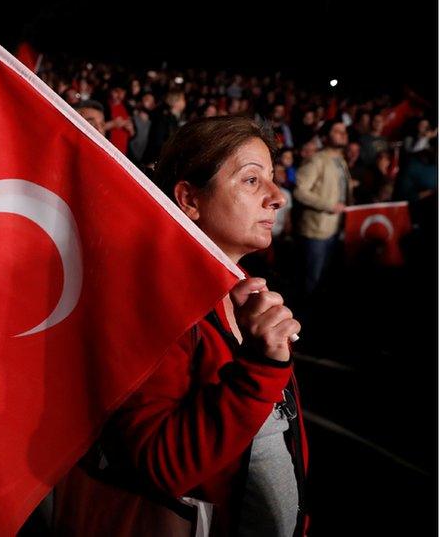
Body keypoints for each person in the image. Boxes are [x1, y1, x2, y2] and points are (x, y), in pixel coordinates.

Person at [53, 116, 306, 537]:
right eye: (251, 180)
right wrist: (259, 369)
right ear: (190, 199)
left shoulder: (242, 294)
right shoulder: (156, 307)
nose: (277, 197)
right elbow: (160, 464)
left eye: (273, 180)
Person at [293, 119, 351, 297]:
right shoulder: (316, 160)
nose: (343, 133)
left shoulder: (341, 160)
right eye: (337, 131)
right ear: (325, 137)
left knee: (323, 278)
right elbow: (300, 191)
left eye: (344, 131)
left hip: (334, 228)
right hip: (316, 231)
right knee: (311, 280)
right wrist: (329, 205)